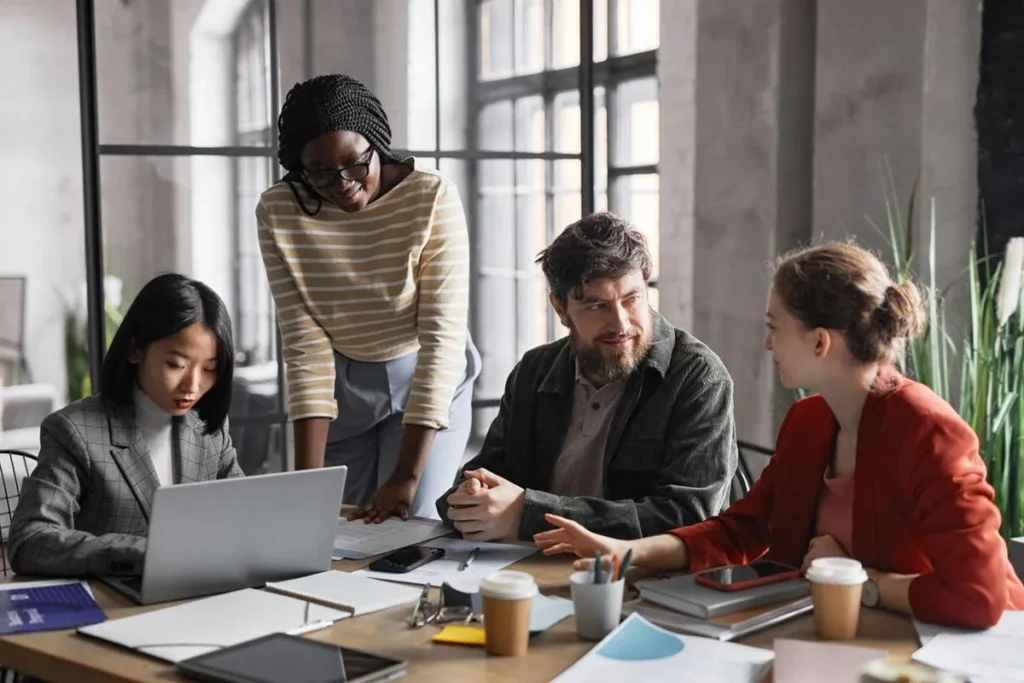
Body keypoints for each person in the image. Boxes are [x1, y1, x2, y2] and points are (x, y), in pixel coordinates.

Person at [536, 241, 1024, 629]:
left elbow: (980, 599)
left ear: (819, 342)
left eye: (775, 327)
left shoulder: (930, 432)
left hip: (948, 652)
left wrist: (858, 579)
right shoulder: (810, 420)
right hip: (843, 637)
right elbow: (741, 529)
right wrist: (626, 551)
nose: (767, 342)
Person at [257, 74, 479, 523]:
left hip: (426, 372)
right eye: (318, 173)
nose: (340, 184)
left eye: (355, 164)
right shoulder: (279, 211)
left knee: (408, 522)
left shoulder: (430, 198)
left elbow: (441, 342)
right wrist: (307, 485)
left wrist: (407, 477)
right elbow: (304, 346)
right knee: (331, 524)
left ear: (376, 143)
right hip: (341, 385)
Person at [436, 212, 738, 542]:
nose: (621, 323)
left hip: (648, 582)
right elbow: (484, 476)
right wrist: (471, 496)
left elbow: (688, 516)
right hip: (532, 569)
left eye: (632, 299)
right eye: (597, 306)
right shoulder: (533, 372)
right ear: (561, 310)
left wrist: (529, 515)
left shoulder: (698, 377)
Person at [8, 274, 242, 577]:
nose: (193, 386)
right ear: (135, 350)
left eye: (210, 369)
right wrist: (141, 553)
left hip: (200, 596)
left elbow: (242, 514)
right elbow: (30, 540)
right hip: (113, 605)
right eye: (177, 365)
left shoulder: (208, 429)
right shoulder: (76, 431)